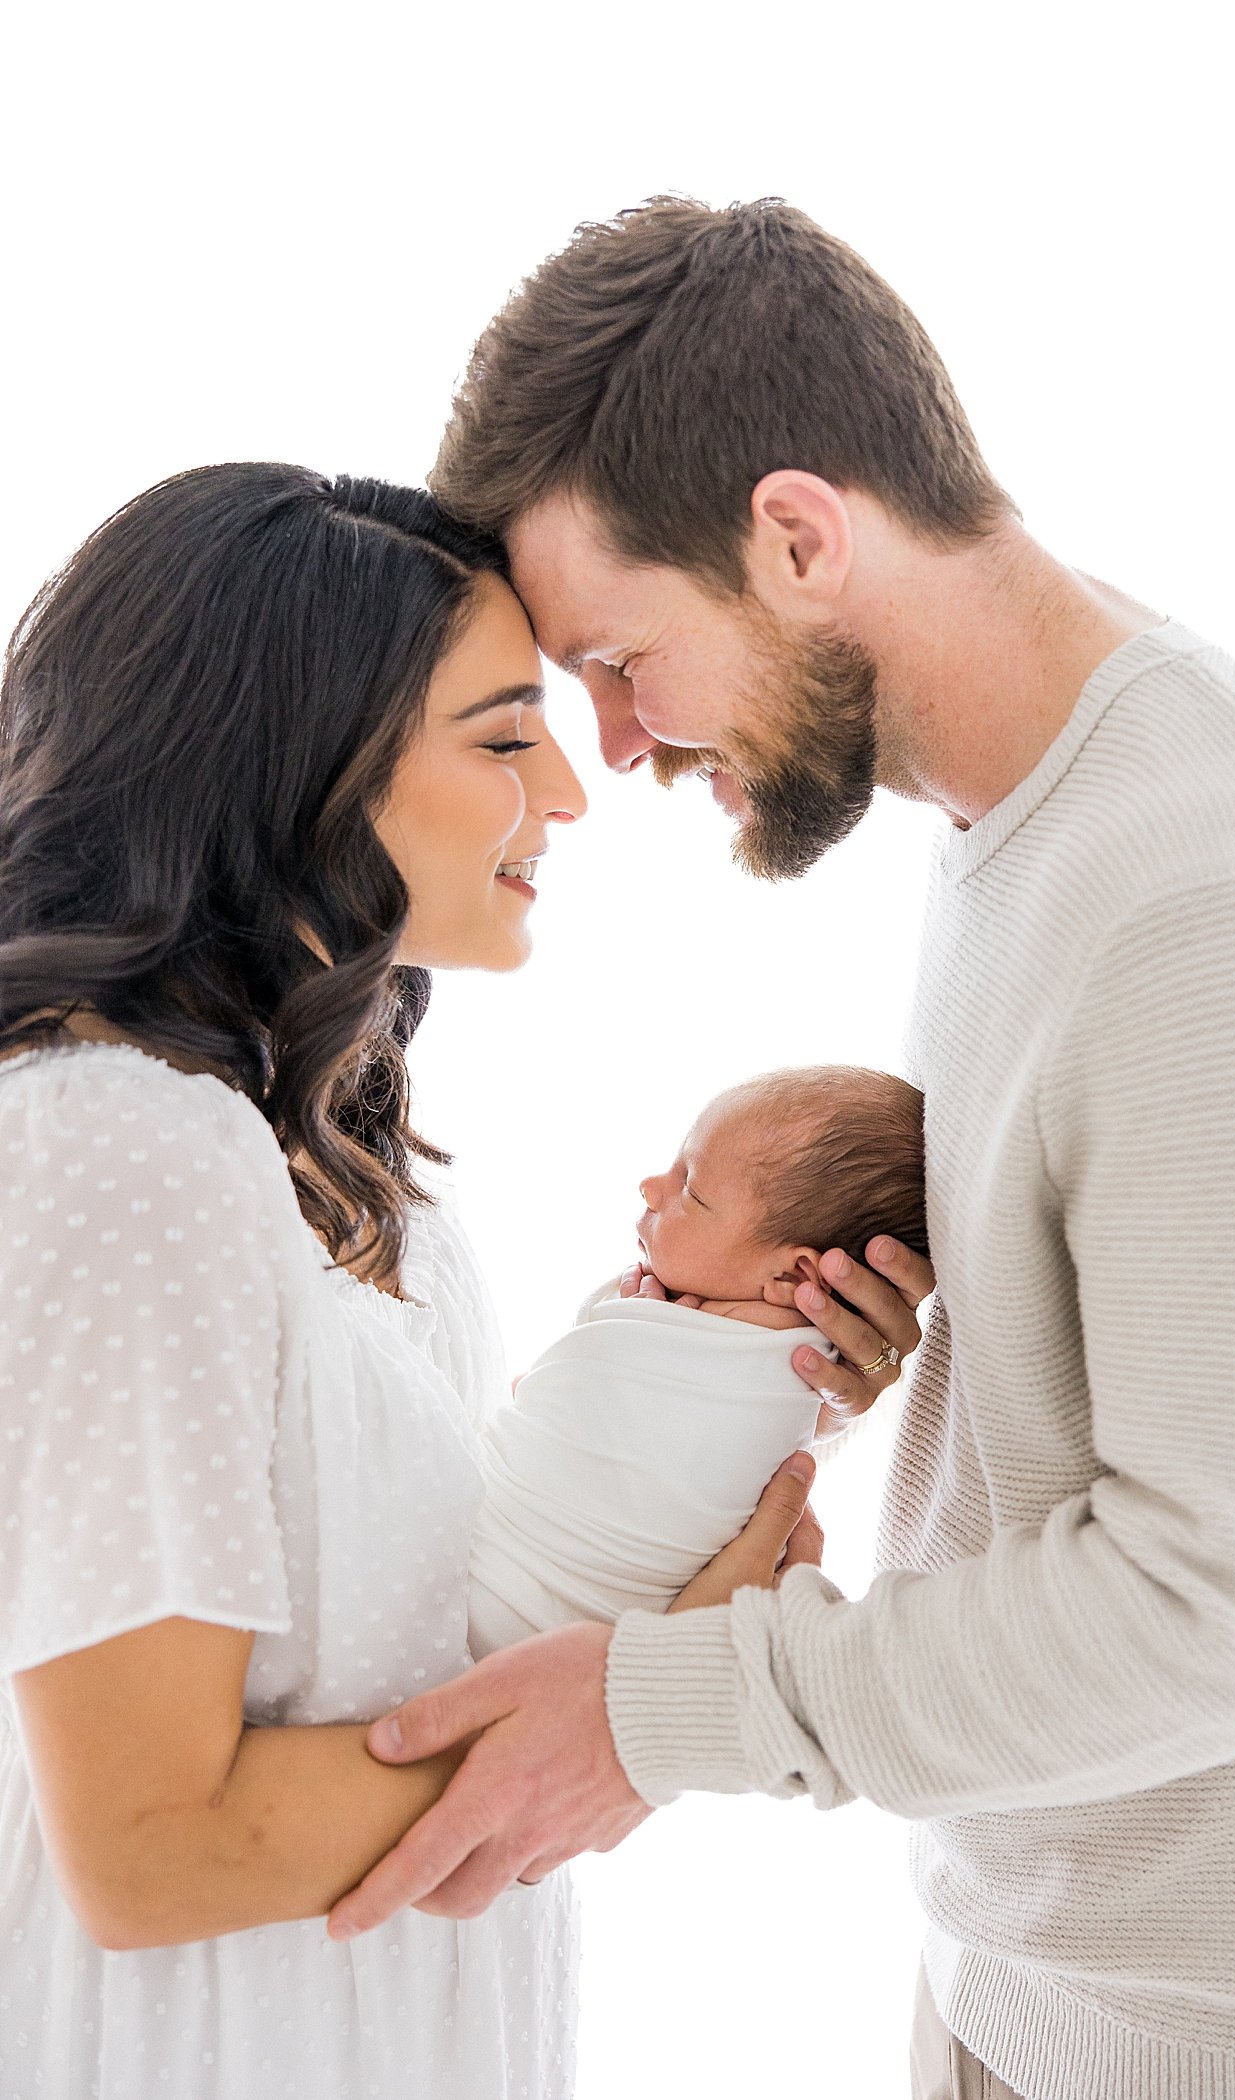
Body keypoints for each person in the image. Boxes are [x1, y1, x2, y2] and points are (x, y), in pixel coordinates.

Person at [327, 199, 1235, 2100]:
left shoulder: (1209, 886)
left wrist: (667, 1714)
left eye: (619, 659)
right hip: (1036, 1981)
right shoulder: (1029, 822)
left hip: (1211, 2052)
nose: (617, 750)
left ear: (800, 537)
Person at [0, 462, 912, 2098]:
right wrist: (649, 1713)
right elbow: (150, 1852)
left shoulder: (320, 1151)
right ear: (294, 775)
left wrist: (742, 1374)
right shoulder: (127, 1146)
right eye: (504, 737)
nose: (569, 790)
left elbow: (417, 1582)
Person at [469, 1065, 927, 1652]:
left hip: (529, 1616)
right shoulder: (778, 1348)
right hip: (548, 1630)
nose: (651, 1186)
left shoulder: (784, 1366)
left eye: (690, 1190)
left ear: (794, 1273)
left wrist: (629, 1324)